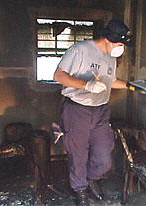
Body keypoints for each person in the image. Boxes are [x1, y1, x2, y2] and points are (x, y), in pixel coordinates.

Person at [53, 20, 132, 206]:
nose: (121, 48)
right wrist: (86, 84)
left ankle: (91, 179)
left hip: (101, 110)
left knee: (104, 155)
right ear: (107, 39)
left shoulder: (110, 56)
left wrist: (131, 85)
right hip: (77, 109)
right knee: (78, 154)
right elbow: (58, 76)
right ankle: (80, 190)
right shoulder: (80, 50)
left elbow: (110, 81)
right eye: (119, 43)